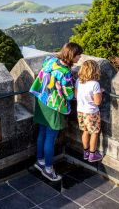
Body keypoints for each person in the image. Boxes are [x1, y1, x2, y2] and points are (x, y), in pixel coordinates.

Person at [30, 42, 83, 181]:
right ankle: (48, 169)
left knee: (42, 132)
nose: (80, 58)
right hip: (54, 106)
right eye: (78, 55)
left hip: (42, 100)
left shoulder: (50, 60)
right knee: (50, 137)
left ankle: (40, 161)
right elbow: (70, 95)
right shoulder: (65, 73)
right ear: (72, 55)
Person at [75, 59, 103, 162]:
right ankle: (92, 155)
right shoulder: (95, 84)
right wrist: (101, 92)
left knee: (85, 131)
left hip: (80, 111)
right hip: (91, 112)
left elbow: (75, 95)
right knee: (95, 133)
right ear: (94, 70)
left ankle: (86, 152)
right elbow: (97, 102)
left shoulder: (79, 81)